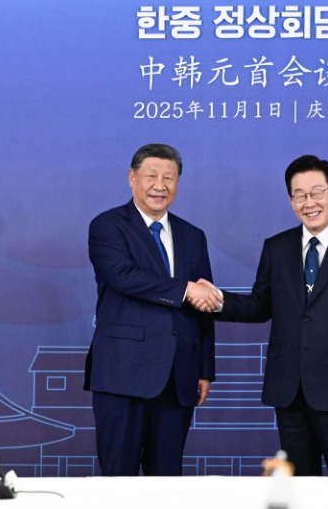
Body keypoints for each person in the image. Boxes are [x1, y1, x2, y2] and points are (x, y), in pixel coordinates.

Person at [195, 154, 328, 476]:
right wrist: (217, 302)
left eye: (317, 193)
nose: (308, 203)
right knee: (298, 485)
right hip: (289, 390)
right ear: (291, 201)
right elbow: (261, 305)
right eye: (299, 195)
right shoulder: (277, 248)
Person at [85, 143, 221, 476]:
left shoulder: (193, 236)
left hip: (178, 377)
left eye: (169, 178)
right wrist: (185, 289)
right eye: (151, 176)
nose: (160, 185)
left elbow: (202, 306)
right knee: (119, 479)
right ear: (132, 178)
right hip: (122, 374)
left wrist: (205, 368)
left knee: (167, 480)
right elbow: (124, 277)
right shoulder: (108, 226)